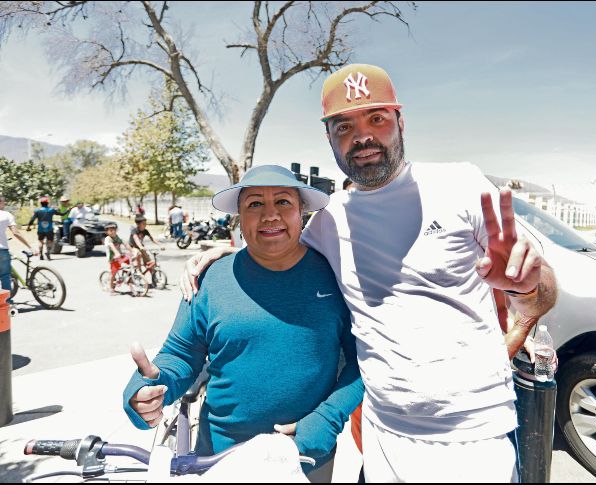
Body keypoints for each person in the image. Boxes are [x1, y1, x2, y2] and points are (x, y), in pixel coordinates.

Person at [180, 64, 558, 482]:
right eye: (344, 126)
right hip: (383, 435)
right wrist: (228, 253)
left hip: (473, 432)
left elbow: (541, 293)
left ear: (400, 122)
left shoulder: (461, 184)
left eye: (376, 118)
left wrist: (527, 289)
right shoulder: (329, 221)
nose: (362, 136)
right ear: (330, 139)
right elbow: (276, 248)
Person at [123, 165, 362, 482]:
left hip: (304, 456)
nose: (270, 216)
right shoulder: (210, 278)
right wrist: (152, 386)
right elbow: (181, 354)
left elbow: (363, 359)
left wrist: (326, 419)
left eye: (283, 202)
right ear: (238, 215)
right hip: (220, 458)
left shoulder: (338, 275)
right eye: (254, 204)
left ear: (301, 211)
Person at [129, 216, 161, 284]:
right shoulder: (134, 231)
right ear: (138, 224)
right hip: (133, 247)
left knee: (150, 262)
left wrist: (160, 245)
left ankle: (154, 278)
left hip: (141, 248)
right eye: (143, 223)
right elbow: (136, 239)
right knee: (138, 254)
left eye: (145, 223)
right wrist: (140, 246)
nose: (145, 224)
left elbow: (152, 239)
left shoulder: (145, 231)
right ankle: (138, 271)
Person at [26, 196, 58, 260]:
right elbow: (61, 214)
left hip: (41, 229)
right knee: (50, 241)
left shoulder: (37, 211)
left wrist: (29, 227)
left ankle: (41, 254)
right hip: (49, 229)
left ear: (41, 203)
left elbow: (32, 219)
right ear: (47, 203)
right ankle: (48, 251)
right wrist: (67, 211)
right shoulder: (51, 210)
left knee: (40, 241)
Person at [104, 222, 132, 295]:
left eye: (114, 230)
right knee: (114, 272)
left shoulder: (117, 237)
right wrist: (116, 253)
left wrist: (132, 250)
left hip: (119, 256)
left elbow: (124, 243)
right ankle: (111, 288)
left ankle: (127, 277)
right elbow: (112, 246)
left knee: (131, 262)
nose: (113, 232)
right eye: (111, 230)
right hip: (113, 258)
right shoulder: (108, 239)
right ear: (107, 232)